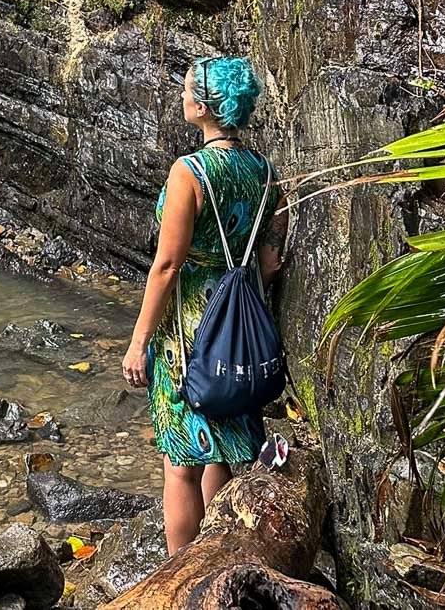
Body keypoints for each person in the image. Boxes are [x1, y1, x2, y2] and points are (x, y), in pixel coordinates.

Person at [121, 55, 289, 554]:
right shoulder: (262, 168)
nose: (182, 96)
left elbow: (167, 266)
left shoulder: (188, 172)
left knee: (180, 463)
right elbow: (268, 263)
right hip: (238, 320)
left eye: (187, 89)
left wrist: (137, 343)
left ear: (204, 106)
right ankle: (219, 561)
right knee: (219, 446)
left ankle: (181, 577)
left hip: (190, 330)